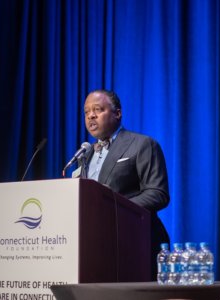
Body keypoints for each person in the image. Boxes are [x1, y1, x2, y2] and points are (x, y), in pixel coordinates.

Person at [76, 89, 170, 280]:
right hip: (97, 246)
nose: (91, 116)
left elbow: (157, 193)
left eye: (98, 109)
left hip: (135, 243)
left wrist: (114, 209)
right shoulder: (85, 155)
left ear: (117, 113)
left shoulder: (142, 144)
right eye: (86, 112)